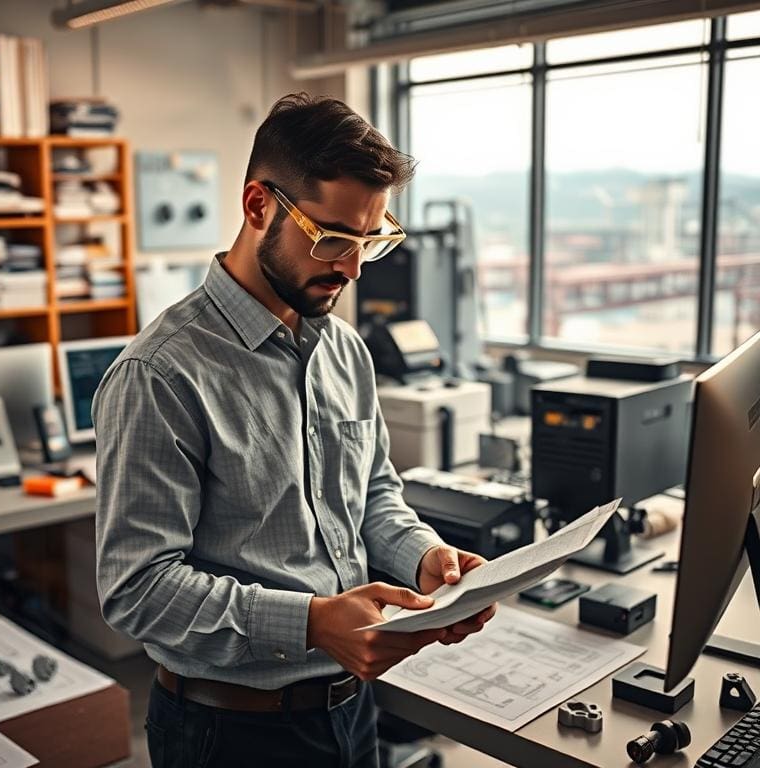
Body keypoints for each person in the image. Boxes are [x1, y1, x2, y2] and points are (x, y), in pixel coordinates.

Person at [93, 92, 497, 768]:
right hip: (229, 733)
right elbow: (138, 590)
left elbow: (372, 498)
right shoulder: (160, 373)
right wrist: (311, 624)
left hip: (351, 711)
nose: (353, 268)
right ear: (258, 206)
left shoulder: (345, 350)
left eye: (370, 240)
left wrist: (425, 558)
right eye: (333, 238)